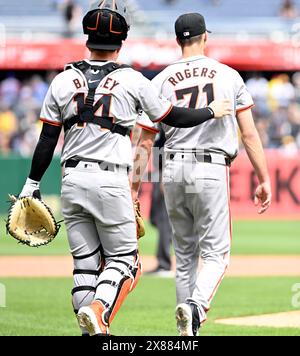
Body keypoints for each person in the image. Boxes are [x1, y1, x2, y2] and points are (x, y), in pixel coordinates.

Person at [18, 1, 231, 336]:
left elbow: (47, 138)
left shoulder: (63, 79)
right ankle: (99, 313)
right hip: (109, 179)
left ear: (86, 37)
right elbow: (173, 116)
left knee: (86, 267)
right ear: (122, 41)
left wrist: (32, 183)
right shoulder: (131, 79)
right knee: (125, 262)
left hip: (71, 181)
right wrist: (211, 111)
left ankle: (92, 332)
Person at [131, 13, 272, 336]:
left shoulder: (161, 80)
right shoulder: (228, 75)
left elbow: (145, 141)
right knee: (217, 254)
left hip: (173, 167)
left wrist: (134, 188)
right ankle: (195, 307)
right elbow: (249, 134)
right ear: (205, 37)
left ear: (178, 40)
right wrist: (263, 178)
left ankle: (186, 333)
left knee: (184, 255)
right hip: (209, 166)